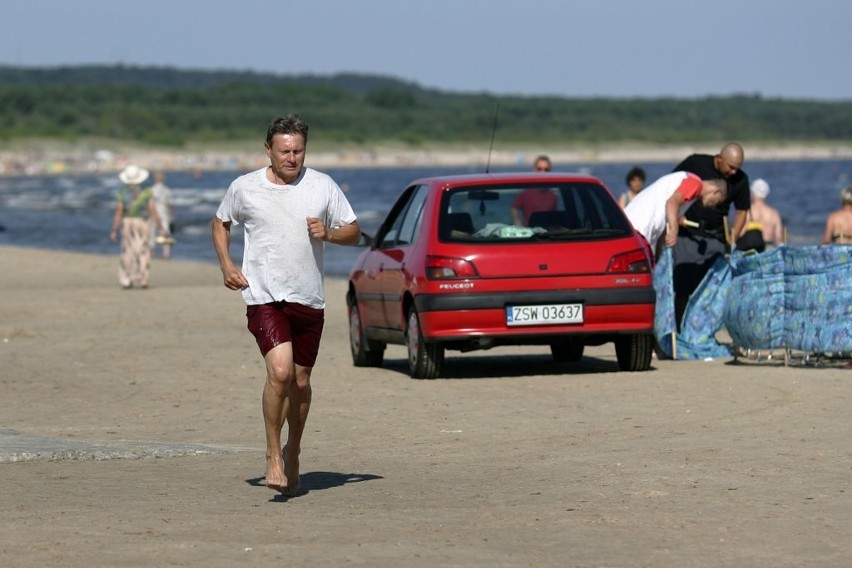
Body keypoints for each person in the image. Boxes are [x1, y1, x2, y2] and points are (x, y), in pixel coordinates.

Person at [211, 114, 360, 496]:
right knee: (279, 372)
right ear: (268, 150)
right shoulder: (245, 188)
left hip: (308, 296)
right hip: (263, 295)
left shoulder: (322, 185)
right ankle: (273, 454)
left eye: (298, 151)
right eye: (284, 151)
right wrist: (227, 265)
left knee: (301, 380)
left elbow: (354, 232)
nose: (292, 158)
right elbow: (220, 222)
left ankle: (294, 448)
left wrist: (329, 233)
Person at [671, 143, 750, 325]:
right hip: (687, 232)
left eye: (737, 169)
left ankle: (700, 329)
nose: (733, 173)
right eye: (730, 167)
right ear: (720, 158)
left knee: (710, 289)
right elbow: (671, 186)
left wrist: (733, 236)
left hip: (716, 237)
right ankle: (677, 328)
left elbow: (742, 211)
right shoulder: (695, 163)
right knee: (683, 287)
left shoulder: (740, 179)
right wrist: (676, 216)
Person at [624, 171, 727, 254]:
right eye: (717, 202)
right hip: (639, 226)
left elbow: (668, 208)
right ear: (716, 192)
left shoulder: (690, 186)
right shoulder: (695, 183)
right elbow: (672, 203)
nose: (713, 206)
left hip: (637, 226)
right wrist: (674, 230)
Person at [109, 164, 168, 289]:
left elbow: (118, 213)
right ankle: (143, 279)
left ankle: (127, 279)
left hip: (127, 222)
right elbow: (153, 211)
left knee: (128, 251)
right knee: (143, 250)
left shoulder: (121, 193)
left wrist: (114, 229)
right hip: (142, 222)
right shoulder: (147, 193)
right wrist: (161, 227)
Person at [738, 178, 784, 250]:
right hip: (769, 248)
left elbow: (740, 232)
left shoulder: (749, 211)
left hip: (753, 248)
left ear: (752, 192)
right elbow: (778, 238)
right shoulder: (774, 213)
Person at [511, 155, 557, 225]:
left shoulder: (552, 195)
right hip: (530, 233)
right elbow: (514, 208)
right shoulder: (526, 193)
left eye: (546, 169)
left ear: (549, 171)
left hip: (548, 233)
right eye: (539, 169)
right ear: (534, 169)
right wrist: (518, 222)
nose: (543, 172)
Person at [150, 171, 175, 258]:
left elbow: (149, 204)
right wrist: (172, 216)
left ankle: (151, 252)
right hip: (164, 213)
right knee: (165, 233)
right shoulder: (167, 190)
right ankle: (166, 252)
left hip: (152, 213)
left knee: (151, 233)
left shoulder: (150, 190)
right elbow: (170, 205)